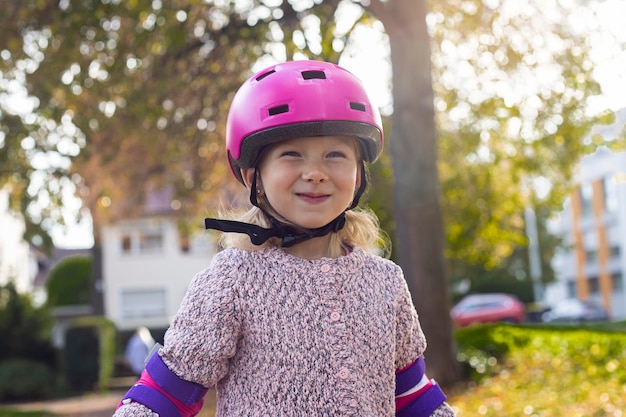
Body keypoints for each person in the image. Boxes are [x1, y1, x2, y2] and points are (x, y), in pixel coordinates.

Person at [113, 60, 455, 417]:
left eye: (335, 155)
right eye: (292, 154)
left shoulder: (386, 282)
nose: (315, 173)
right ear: (253, 177)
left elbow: (413, 397)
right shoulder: (232, 281)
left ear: (357, 176)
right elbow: (165, 394)